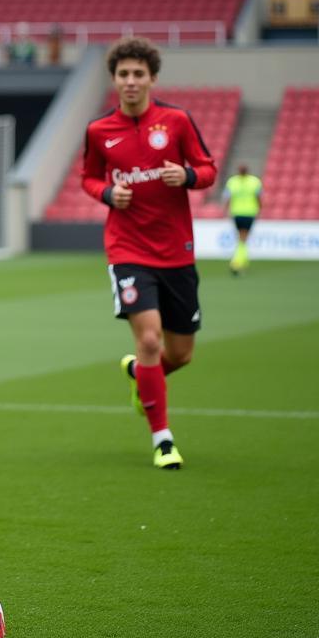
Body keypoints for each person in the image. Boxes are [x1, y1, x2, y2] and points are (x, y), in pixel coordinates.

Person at [81, 37, 216, 470]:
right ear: (115, 80)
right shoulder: (99, 131)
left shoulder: (176, 121)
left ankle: (142, 376)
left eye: (139, 74)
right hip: (128, 249)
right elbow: (87, 176)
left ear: (152, 78)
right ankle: (163, 441)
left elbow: (209, 169)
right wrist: (105, 191)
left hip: (177, 250)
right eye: (124, 74)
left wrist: (189, 174)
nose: (131, 81)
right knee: (151, 340)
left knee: (181, 354)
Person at [222, 164, 262, 275]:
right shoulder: (254, 181)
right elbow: (258, 197)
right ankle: (236, 262)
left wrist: (225, 210)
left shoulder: (232, 181)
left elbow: (227, 197)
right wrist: (260, 209)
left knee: (241, 237)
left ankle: (243, 260)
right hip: (249, 213)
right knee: (243, 238)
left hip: (237, 213)